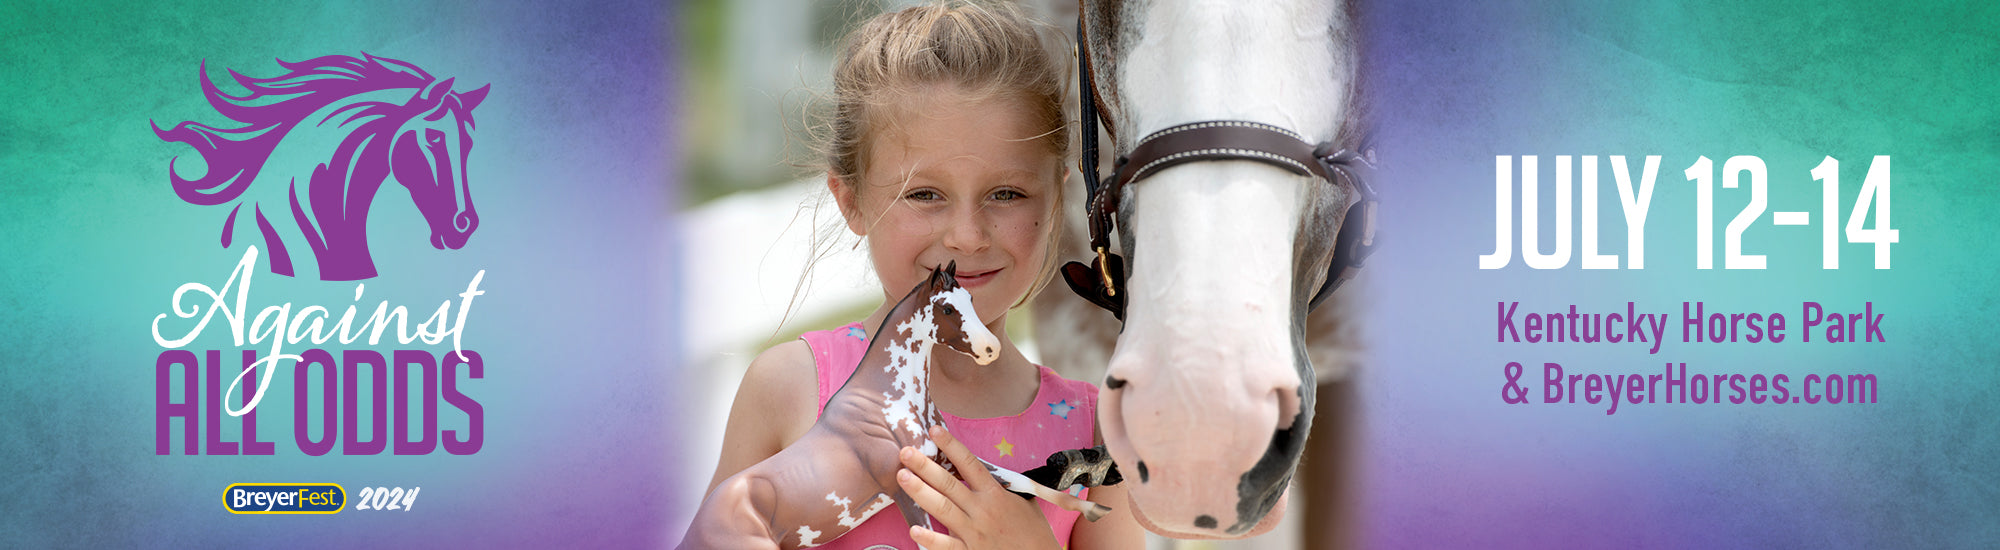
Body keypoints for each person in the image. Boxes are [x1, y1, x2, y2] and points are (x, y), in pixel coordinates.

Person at [703, 2, 1144, 549]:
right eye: (924, 194)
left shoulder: (1095, 430)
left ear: (1056, 198)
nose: (967, 235)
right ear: (851, 200)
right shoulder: (791, 389)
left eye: (1006, 194)